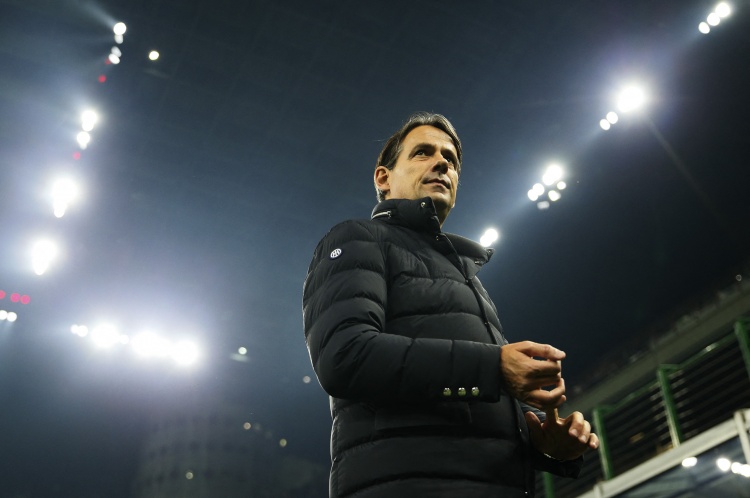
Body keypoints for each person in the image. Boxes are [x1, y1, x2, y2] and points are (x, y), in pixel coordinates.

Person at [302, 112, 598, 498]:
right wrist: (494, 367)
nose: (442, 163)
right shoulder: (358, 238)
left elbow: (469, 402)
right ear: (383, 178)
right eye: (423, 152)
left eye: (451, 159)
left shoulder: (467, 279)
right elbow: (344, 356)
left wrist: (542, 438)